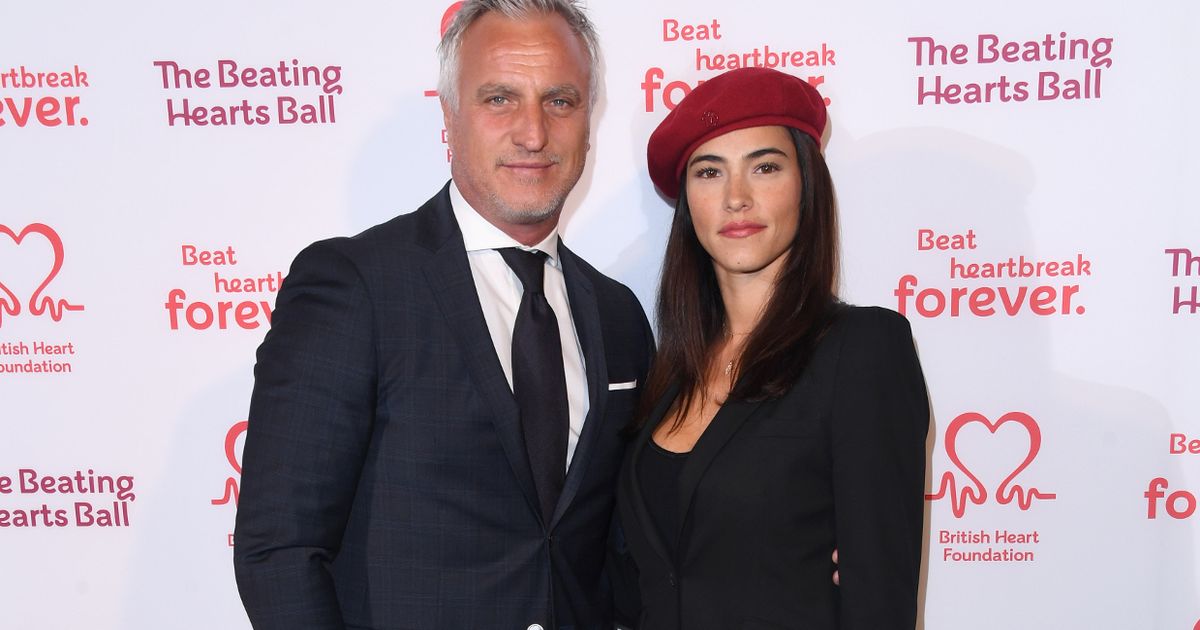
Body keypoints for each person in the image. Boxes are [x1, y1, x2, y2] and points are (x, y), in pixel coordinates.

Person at [232, 1, 654, 628]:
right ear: (450, 116)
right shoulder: (356, 286)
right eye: (500, 99)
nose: (533, 133)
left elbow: (627, 543)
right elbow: (281, 549)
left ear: (589, 122)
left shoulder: (617, 313)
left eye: (560, 101)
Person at [616, 66, 929, 629]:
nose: (737, 198)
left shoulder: (862, 351)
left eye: (764, 167)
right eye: (710, 172)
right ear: (688, 203)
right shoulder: (669, 371)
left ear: (806, 185)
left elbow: (880, 598)